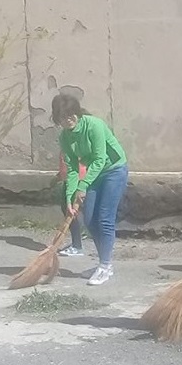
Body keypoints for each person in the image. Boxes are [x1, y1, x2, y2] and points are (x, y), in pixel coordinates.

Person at [52, 93, 128, 286]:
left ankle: (105, 265)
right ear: (57, 118)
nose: (68, 120)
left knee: (104, 218)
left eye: (70, 115)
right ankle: (105, 264)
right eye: (62, 117)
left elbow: (100, 159)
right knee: (90, 220)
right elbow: (72, 168)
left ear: (77, 113)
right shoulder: (65, 137)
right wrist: (70, 197)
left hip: (113, 170)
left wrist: (83, 186)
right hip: (95, 174)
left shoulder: (94, 125)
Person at [55, 156, 87, 257]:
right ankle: (78, 239)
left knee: (72, 211)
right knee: (66, 208)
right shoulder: (65, 145)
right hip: (68, 177)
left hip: (76, 178)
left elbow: (77, 159)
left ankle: (77, 246)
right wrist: (62, 173)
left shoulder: (75, 146)